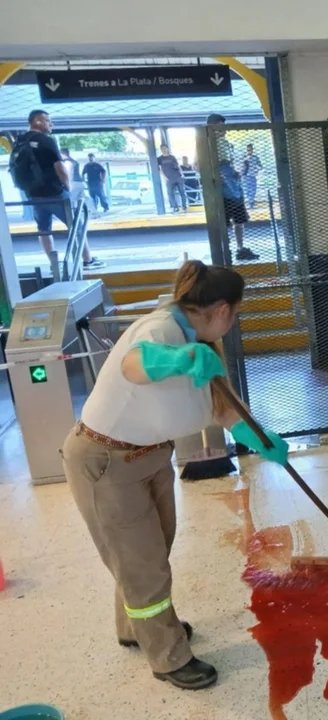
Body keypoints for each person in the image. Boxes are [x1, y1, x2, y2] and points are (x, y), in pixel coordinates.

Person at [61, 260, 289, 690]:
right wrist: (180, 358)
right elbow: (135, 365)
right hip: (106, 461)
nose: (233, 322)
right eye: (235, 314)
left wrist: (261, 438)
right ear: (222, 309)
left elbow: (223, 409)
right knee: (143, 566)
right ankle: (168, 657)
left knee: (148, 552)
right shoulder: (162, 330)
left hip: (147, 456)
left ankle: (136, 628)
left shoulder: (200, 342)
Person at [12, 111, 101, 269]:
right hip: (55, 193)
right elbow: (60, 167)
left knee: (43, 230)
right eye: (48, 120)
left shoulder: (20, 141)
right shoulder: (46, 141)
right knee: (76, 225)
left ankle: (54, 264)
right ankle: (87, 260)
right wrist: (67, 187)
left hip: (34, 195)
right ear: (37, 121)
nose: (51, 124)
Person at [206, 114, 258, 261]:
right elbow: (197, 166)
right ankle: (224, 250)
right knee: (223, 223)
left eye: (224, 127)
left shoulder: (226, 144)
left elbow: (229, 163)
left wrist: (235, 172)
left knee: (239, 220)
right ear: (211, 126)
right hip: (221, 190)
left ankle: (240, 248)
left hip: (234, 186)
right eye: (220, 127)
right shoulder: (206, 144)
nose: (224, 130)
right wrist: (214, 175)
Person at [158, 144, 188, 213]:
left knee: (182, 192)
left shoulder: (172, 157)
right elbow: (159, 169)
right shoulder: (159, 159)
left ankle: (184, 206)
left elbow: (178, 166)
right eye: (162, 149)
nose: (164, 150)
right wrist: (164, 177)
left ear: (167, 149)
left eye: (165, 148)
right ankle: (175, 207)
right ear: (161, 150)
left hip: (177, 176)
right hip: (169, 179)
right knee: (170, 193)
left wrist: (182, 174)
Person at [241, 143, 262, 209]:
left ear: (252, 150)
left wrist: (256, 171)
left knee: (252, 189)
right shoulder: (244, 158)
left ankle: (251, 202)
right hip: (246, 176)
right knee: (248, 190)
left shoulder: (255, 158)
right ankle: (250, 202)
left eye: (250, 149)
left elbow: (260, 166)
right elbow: (242, 167)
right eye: (248, 150)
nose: (249, 151)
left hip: (252, 176)